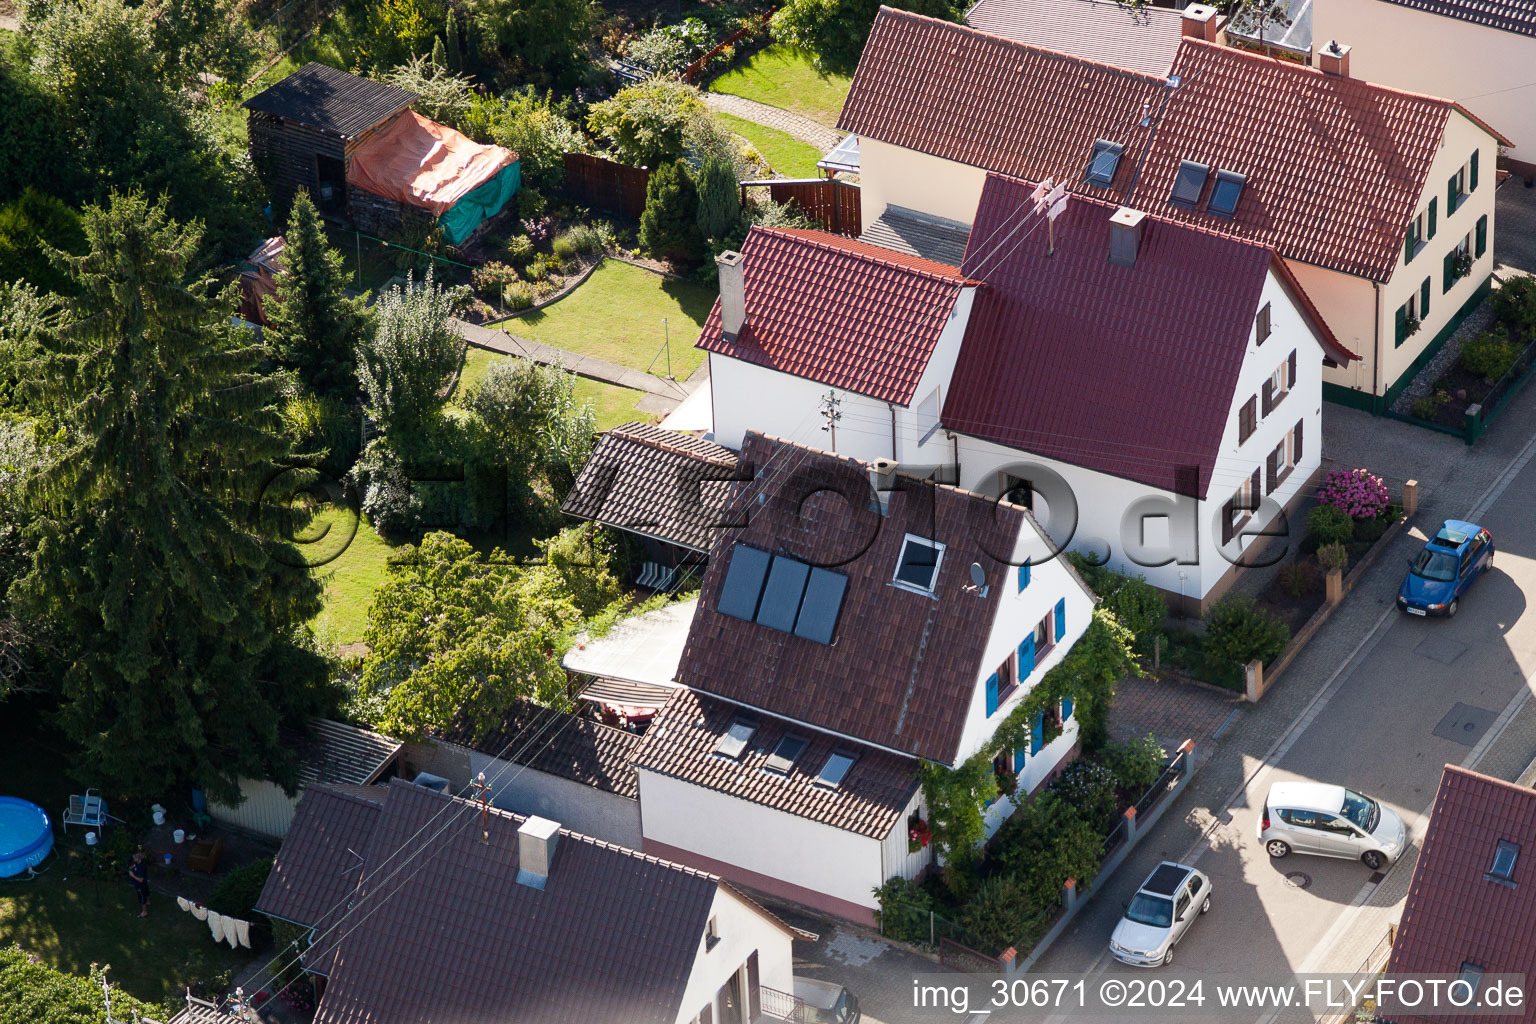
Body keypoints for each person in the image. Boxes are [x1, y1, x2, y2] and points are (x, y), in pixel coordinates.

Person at [128, 851, 149, 918]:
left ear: (138, 858)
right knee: (146, 893)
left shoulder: (141, 868)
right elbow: (134, 866)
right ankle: (148, 902)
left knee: (142, 897)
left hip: (141, 885)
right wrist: (132, 868)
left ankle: (144, 912)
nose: (133, 859)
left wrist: (132, 875)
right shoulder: (138, 863)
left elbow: (141, 880)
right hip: (142, 884)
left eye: (134, 858)